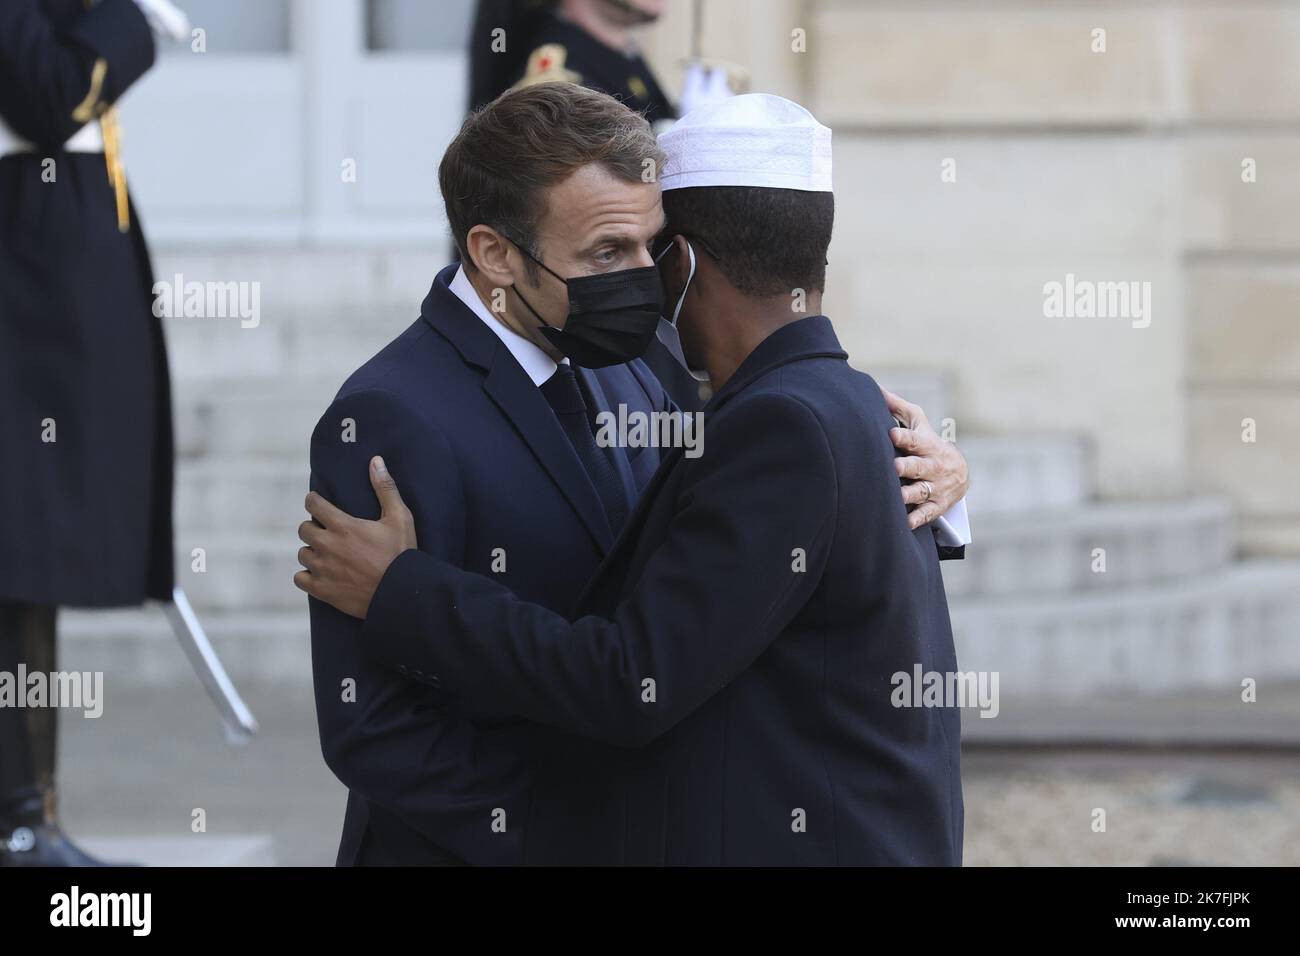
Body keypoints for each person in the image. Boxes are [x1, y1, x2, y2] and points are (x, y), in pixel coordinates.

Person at [297, 84, 969, 865]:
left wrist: (924, 473)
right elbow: (374, 728)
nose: (644, 279)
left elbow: (745, 520)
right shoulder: (391, 413)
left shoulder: (648, 361)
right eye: (608, 253)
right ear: (494, 254)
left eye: (654, 247)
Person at [0, 0, 186, 866]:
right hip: (23, 265)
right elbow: (51, 93)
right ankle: (20, 819)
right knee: (16, 555)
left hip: (45, 260)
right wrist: (129, 22)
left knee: (25, 564)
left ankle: (27, 815)